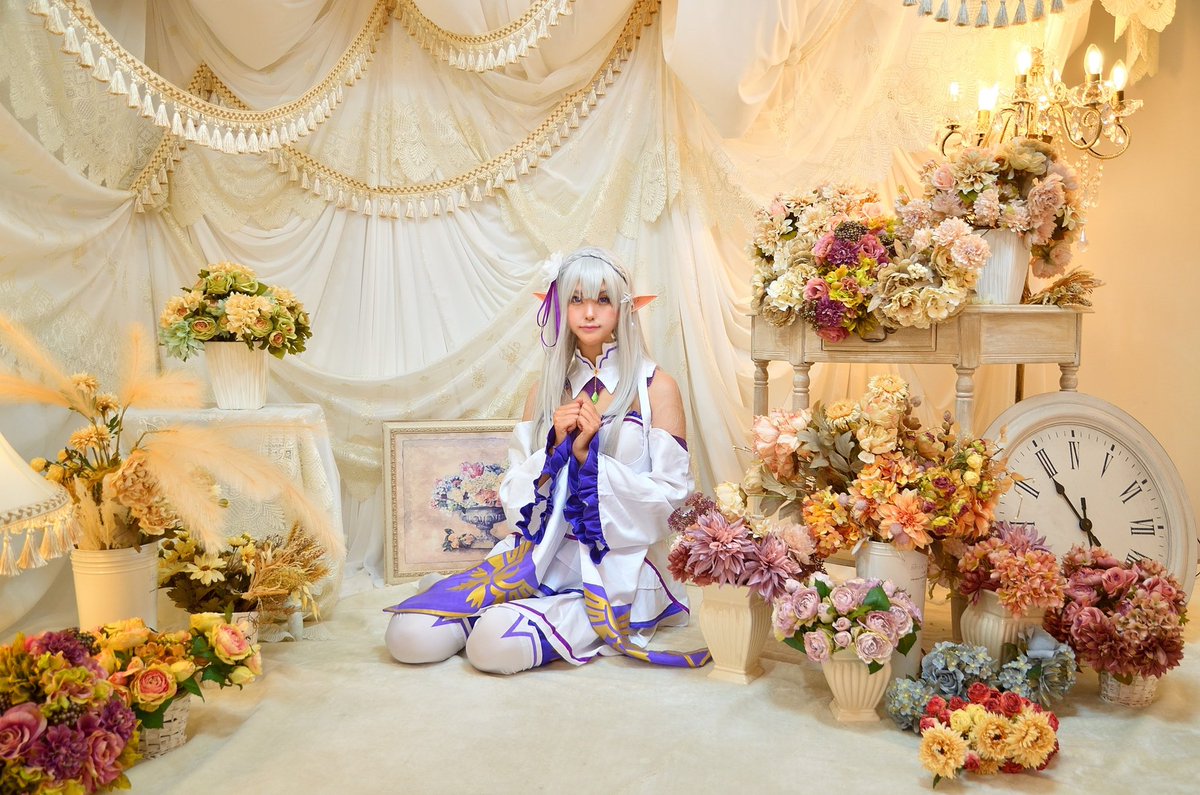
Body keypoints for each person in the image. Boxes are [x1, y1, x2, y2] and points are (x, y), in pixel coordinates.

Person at [383, 247, 709, 674]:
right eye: (576, 299)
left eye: (603, 299)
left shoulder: (656, 388)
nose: (589, 312)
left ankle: (512, 616)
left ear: (625, 307)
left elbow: (672, 502)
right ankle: (505, 606)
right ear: (559, 307)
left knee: (493, 645)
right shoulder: (543, 392)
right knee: (408, 636)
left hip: (616, 564)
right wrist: (555, 452)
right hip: (536, 554)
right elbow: (514, 496)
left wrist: (589, 462)